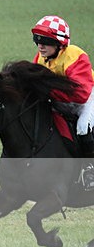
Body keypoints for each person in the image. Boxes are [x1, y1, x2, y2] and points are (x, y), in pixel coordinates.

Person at [30, 15, 94, 159]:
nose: (40, 46)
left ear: (60, 42)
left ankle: (89, 168)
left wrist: (48, 91)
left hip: (87, 99)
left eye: (45, 41)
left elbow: (81, 94)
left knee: (83, 128)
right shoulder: (40, 58)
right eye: (37, 40)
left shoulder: (75, 55)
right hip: (63, 100)